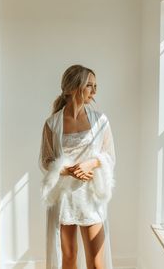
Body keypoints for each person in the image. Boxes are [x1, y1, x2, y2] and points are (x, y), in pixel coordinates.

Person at [39, 64, 116, 269]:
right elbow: (46, 160)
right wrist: (67, 170)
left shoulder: (100, 121)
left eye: (95, 85)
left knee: (97, 262)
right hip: (64, 198)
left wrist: (91, 162)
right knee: (69, 257)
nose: (94, 91)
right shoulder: (52, 123)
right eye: (89, 85)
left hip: (90, 195)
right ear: (73, 88)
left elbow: (108, 156)